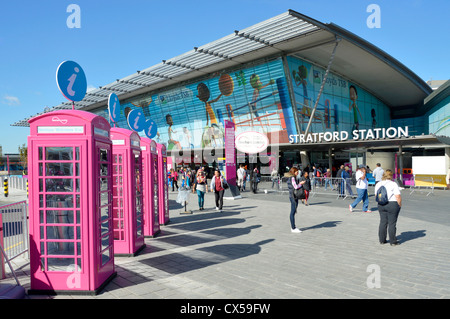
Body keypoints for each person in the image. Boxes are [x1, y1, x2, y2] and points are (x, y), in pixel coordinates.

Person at [374, 169, 402, 245]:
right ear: (391, 175)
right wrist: (399, 205)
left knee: (383, 222)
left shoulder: (378, 184)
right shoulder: (393, 184)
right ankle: (393, 241)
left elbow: (376, 196)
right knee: (392, 223)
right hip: (392, 204)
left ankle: (382, 240)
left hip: (381, 205)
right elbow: (398, 196)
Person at [285, 167, 302, 233]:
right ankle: (293, 227)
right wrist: (301, 184)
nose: (297, 172)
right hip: (293, 196)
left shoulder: (291, 178)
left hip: (292, 196)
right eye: (296, 171)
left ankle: (293, 227)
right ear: (293, 172)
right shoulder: (292, 178)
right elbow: (295, 187)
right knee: (293, 211)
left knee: (293, 211)